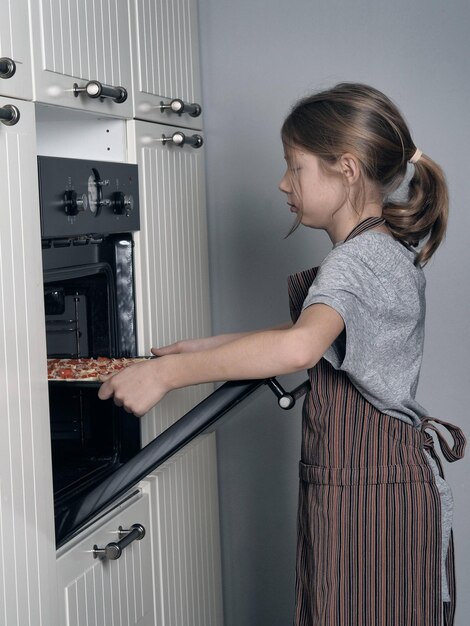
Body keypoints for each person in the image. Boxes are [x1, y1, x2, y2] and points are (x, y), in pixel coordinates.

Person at [99, 83, 466, 626]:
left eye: (295, 167)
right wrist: (207, 346)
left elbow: (301, 345)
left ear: (345, 168)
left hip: (365, 496)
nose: (282, 182)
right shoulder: (382, 248)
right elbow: (328, 338)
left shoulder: (354, 262)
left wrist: (170, 374)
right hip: (385, 485)